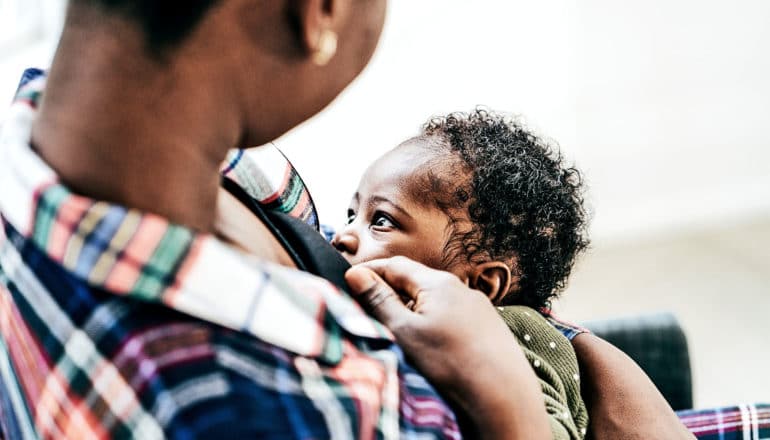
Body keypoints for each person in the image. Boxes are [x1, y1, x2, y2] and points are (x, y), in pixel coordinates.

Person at [0, 1, 695, 439]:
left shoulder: (193, 162)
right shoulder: (269, 407)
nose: (346, 234)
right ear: (319, 12)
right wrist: (512, 404)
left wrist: (576, 352)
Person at [332, 108, 591, 439]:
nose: (342, 235)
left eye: (381, 220)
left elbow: (552, 431)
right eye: (352, 214)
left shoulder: (511, 333)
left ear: (480, 285)